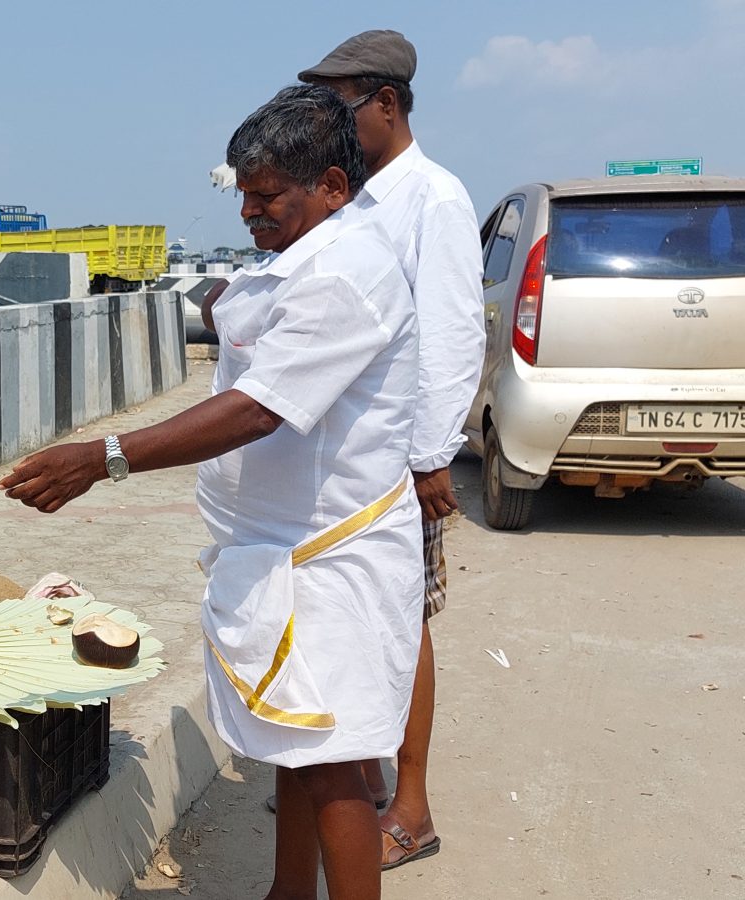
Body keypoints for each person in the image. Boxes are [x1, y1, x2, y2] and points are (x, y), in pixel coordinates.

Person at [0, 86, 421, 900]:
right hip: (286, 552)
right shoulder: (308, 257)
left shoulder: (346, 272)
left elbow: (261, 409)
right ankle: (288, 890)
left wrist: (107, 456)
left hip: (332, 559)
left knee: (334, 765)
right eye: (245, 197)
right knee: (295, 748)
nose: (249, 215)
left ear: (332, 184)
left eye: (268, 199)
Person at [298, 29, 486, 870]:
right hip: (346, 458)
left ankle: (410, 806)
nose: (331, 124)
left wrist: (432, 458)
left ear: (386, 102)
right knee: (358, 621)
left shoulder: (432, 199)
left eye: (340, 106)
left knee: (403, 623)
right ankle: (365, 780)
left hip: (401, 459)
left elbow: (451, 334)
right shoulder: (356, 198)